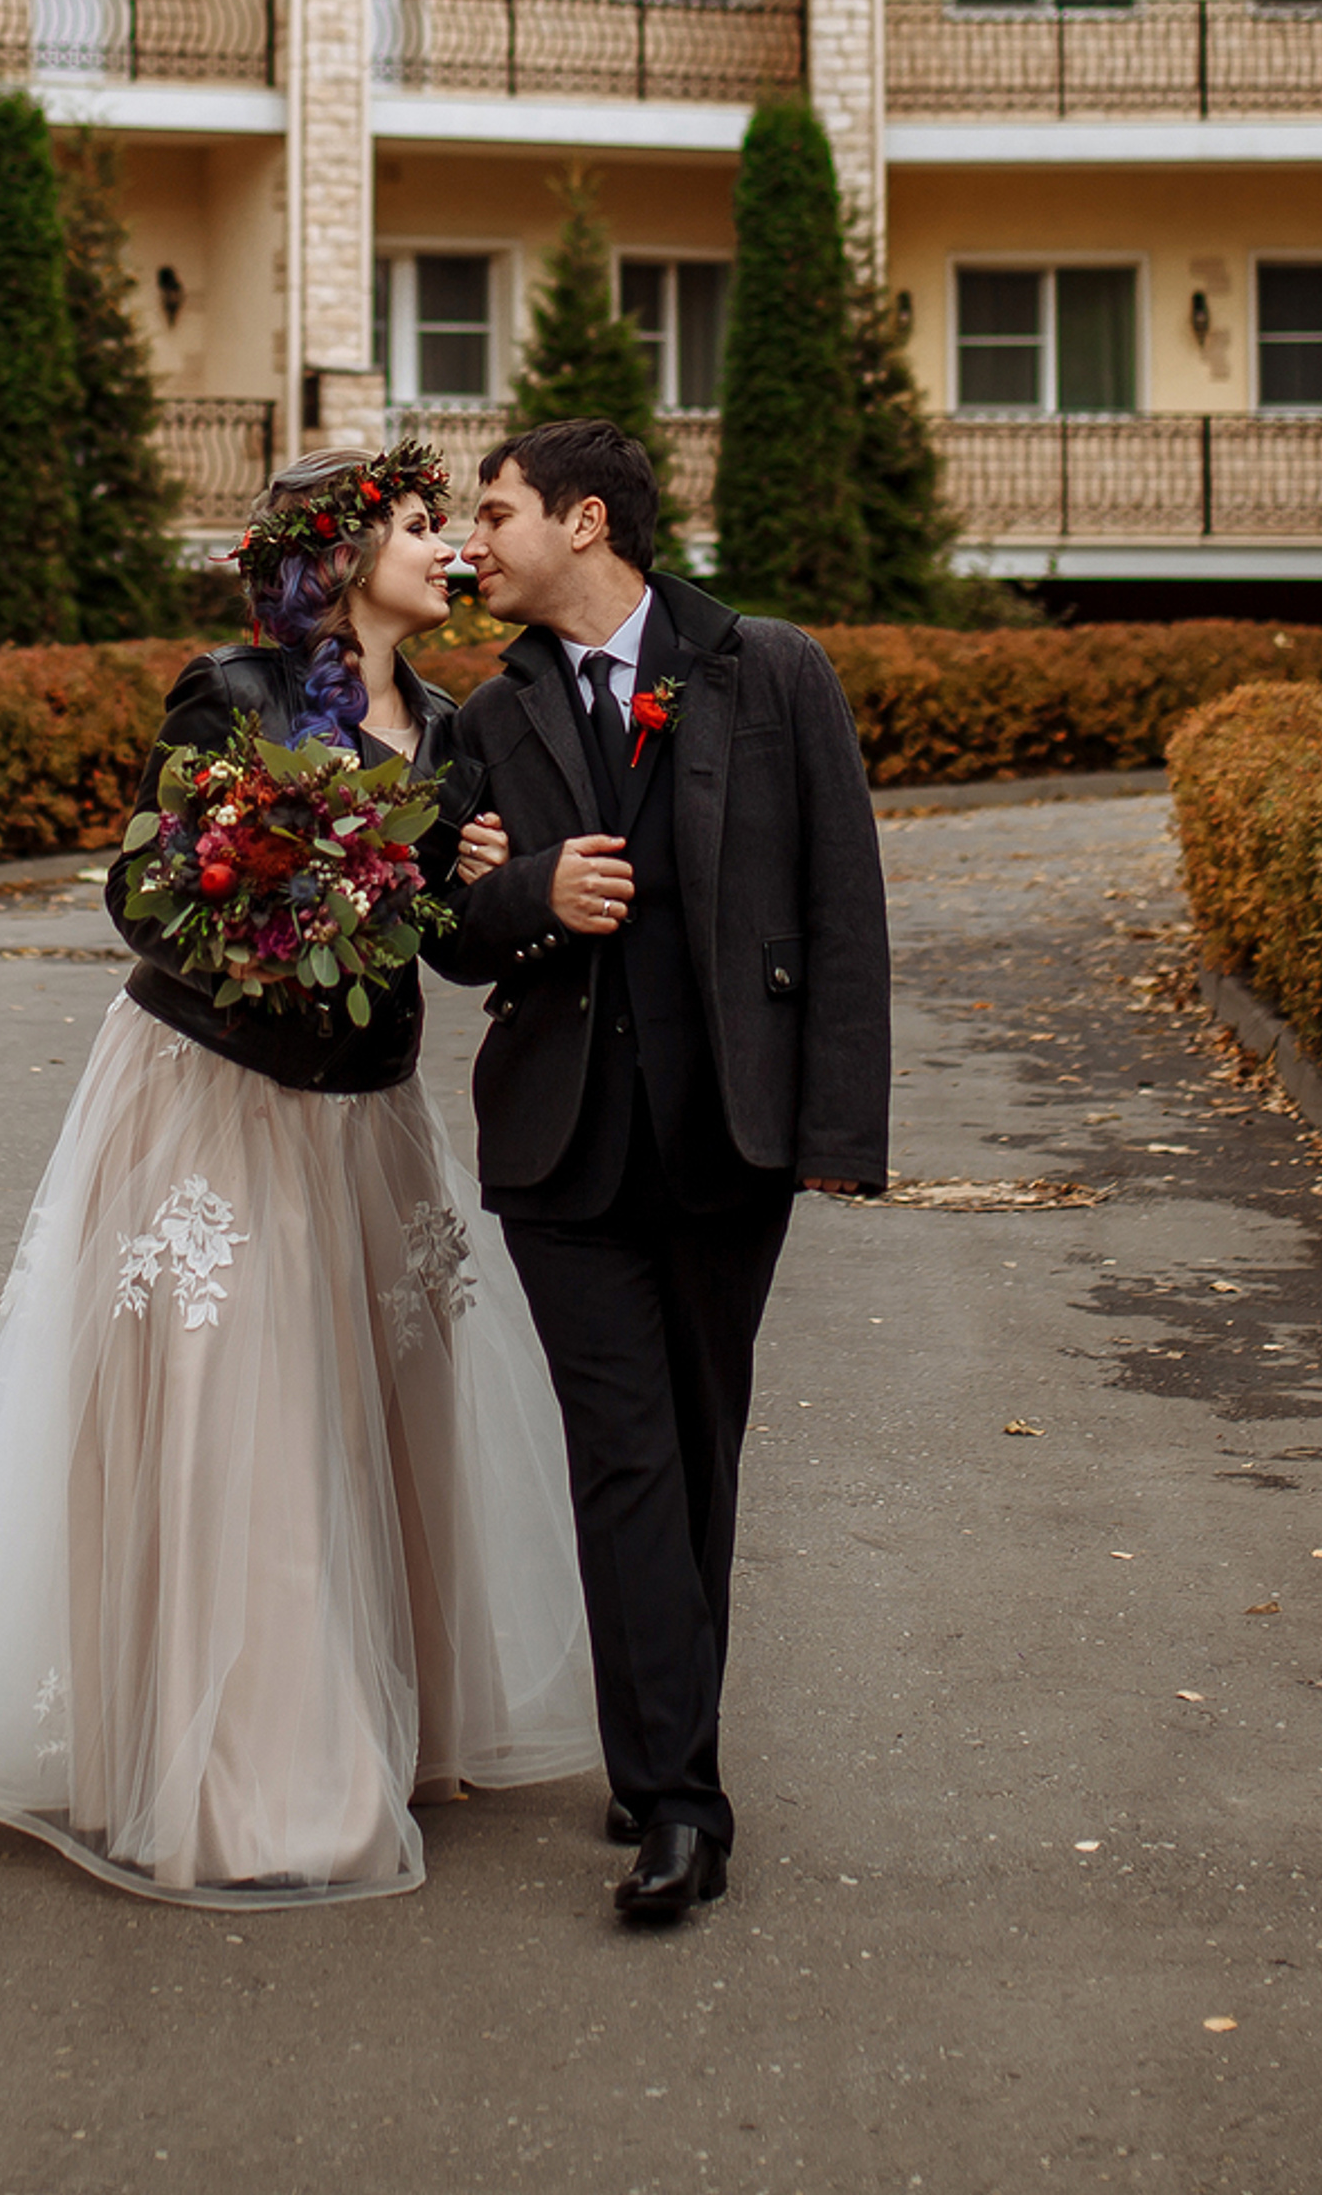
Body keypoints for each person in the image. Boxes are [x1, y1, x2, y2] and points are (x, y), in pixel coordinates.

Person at [0, 442, 599, 1905]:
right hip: (219, 1098)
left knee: (372, 1417)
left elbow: (443, 943)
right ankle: (259, 1780)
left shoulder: (452, 729)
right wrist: (278, 918)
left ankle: (388, 1719)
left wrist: (500, 891)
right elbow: (145, 892)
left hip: (365, 1114)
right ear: (341, 556)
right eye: (419, 524)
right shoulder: (232, 694)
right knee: (250, 1424)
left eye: (450, 524)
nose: (447, 547)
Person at [444, 417, 890, 1928]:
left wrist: (838, 1135)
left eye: (495, 513)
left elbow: (842, 899)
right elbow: (451, 938)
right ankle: (684, 1803)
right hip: (560, 1151)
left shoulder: (770, 670)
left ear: (584, 522)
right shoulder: (487, 713)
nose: (474, 543)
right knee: (625, 1450)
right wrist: (530, 891)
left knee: (701, 1447)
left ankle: (656, 1747)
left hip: (725, 1139)